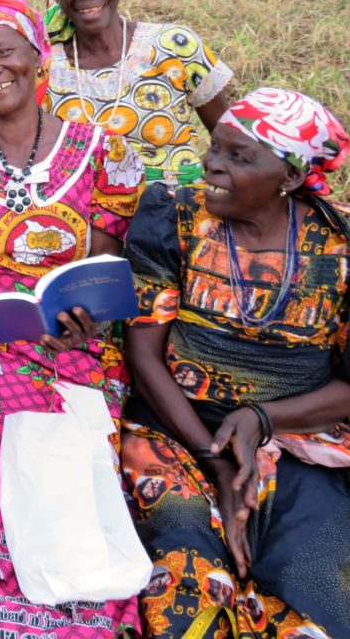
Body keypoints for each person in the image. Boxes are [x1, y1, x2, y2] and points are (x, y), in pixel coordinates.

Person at [0, 0, 145, 637]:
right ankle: (5, 614)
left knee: (81, 453)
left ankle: (91, 610)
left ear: (39, 55)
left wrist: (87, 318)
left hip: (70, 342)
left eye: (5, 53)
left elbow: (102, 261)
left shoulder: (99, 147)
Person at [121, 87, 350, 637]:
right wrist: (217, 461)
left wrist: (260, 420)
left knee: (320, 585)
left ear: (291, 177)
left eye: (238, 156)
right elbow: (143, 355)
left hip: (297, 438)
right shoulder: (174, 215)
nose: (212, 165)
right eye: (214, 148)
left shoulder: (339, 245)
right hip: (175, 426)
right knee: (183, 558)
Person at [44, 0, 232, 185]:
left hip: (179, 215)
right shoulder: (44, 67)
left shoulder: (174, 46)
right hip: (89, 221)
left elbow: (231, 141)